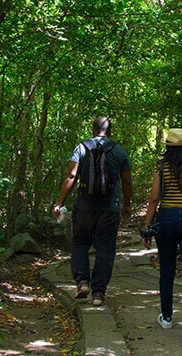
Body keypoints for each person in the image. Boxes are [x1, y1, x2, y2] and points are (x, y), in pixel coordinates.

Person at [53, 117, 132, 307]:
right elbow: (127, 181)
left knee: (80, 243)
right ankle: (98, 293)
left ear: (93, 129)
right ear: (110, 131)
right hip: (109, 209)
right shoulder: (119, 151)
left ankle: (82, 282)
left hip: (84, 207)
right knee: (105, 249)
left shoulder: (81, 148)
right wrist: (127, 205)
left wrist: (59, 202)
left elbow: (71, 175)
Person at [141, 128, 182, 341]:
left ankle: (167, 317)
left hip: (167, 218)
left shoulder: (161, 168)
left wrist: (147, 226)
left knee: (167, 270)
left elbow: (154, 198)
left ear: (168, 147)